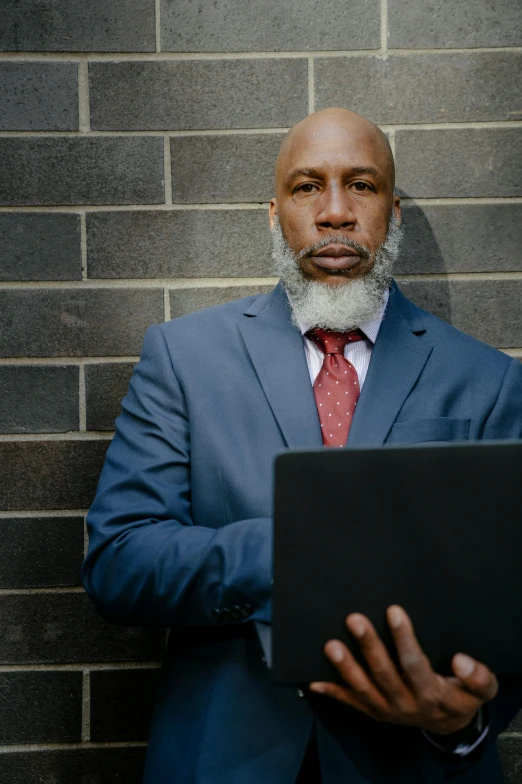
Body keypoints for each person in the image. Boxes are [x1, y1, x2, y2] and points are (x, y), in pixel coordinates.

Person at [83, 108, 522, 783]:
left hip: (412, 765)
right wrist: (288, 548)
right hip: (227, 761)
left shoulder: (489, 381)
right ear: (274, 214)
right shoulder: (185, 358)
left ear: (393, 214)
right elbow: (118, 560)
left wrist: (460, 722)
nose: (336, 212)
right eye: (308, 186)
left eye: (363, 186)